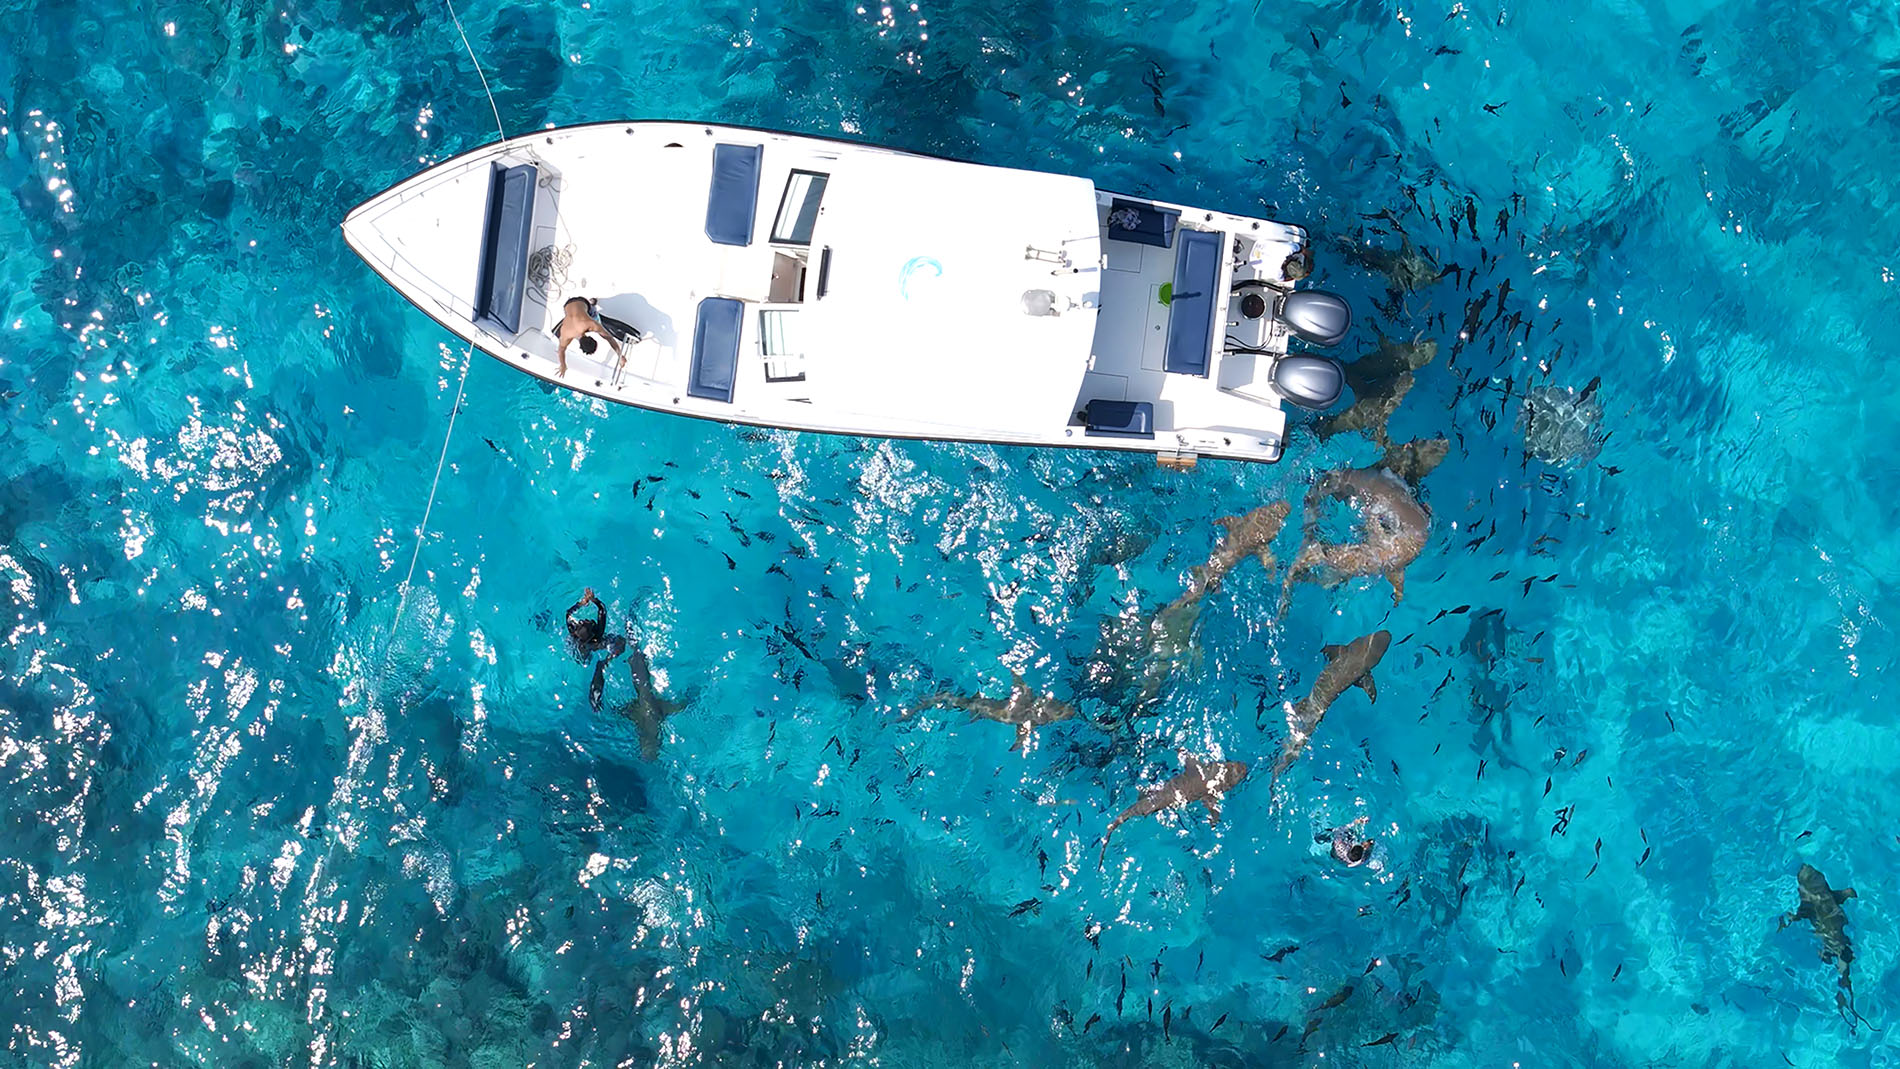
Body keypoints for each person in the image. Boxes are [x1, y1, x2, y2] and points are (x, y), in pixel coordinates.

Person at [556, 297, 623, 377]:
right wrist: (563, 365)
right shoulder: (590, 325)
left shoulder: (567, 334)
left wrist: (620, 356)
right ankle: (590, 305)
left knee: (594, 318)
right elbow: (609, 338)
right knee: (594, 319)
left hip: (577, 303)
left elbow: (561, 351)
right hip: (571, 303)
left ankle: (592, 303)